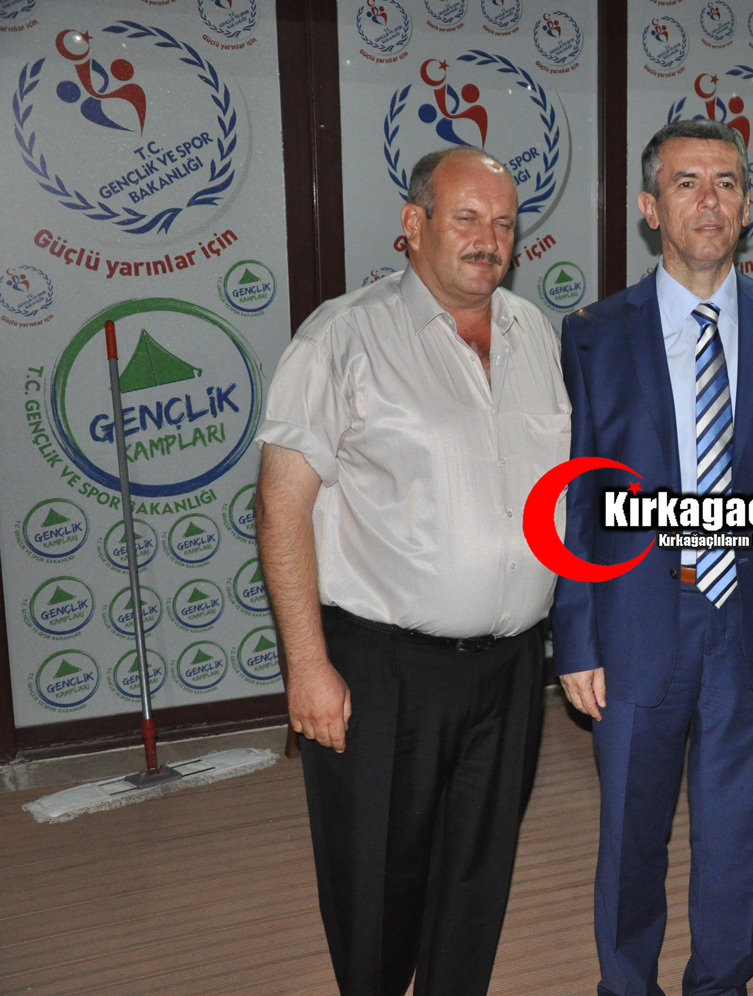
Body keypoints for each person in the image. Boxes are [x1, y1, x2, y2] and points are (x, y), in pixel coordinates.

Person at [254, 146, 569, 996]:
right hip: (382, 670)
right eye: (466, 218)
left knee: (476, 883)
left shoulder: (535, 335)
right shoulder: (341, 335)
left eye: (504, 223)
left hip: (511, 669)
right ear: (414, 224)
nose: (488, 239)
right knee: (376, 890)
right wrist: (306, 665)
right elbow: (280, 508)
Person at [553, 119, 753, 996]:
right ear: (651, 208)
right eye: (686, 183)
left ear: (747, 208)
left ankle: (721, 984)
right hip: (637, 621)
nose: (708, 201)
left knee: (735, 832)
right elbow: (577, 498)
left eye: (726, 183)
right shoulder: (595, 332)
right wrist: (577, 638)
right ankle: (625, 985)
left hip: (751, 622)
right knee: (631, 837)